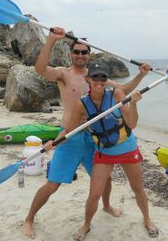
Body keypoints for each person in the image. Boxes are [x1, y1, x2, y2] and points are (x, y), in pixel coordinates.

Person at [24, 27, 150, 239]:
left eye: (84, 52)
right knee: (53, 183)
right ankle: (29, 218)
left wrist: (141, 74)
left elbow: (122, 90)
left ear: (88, 55)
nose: (80, 55)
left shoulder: (96, 77)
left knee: (105, 180)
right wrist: (51, 41)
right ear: (71, 54)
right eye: (77, 52)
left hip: (95, 138)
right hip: (70, 135)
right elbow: (40, 69)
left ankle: (107, 205)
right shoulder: (63, 74)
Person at [48, 60, 158, 240]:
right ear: (88, 79)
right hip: (104, 153)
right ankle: (86, 225)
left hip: (128, 149)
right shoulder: (82, 104)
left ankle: (147, 219)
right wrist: (53, 142)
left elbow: (132, 123)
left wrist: (135, 104)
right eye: (95, 77)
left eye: (103, 78)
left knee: (138, 189)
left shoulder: (117, 95)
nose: (99, 82)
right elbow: (70, 130)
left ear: (107, 80)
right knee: (94, 195)